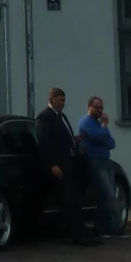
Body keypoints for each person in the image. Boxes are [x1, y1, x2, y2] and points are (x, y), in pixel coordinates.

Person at [37, 85, 99, 245]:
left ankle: (83, 232)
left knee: (76, 197)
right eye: (59, 100)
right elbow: (45, 144)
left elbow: (62, 137)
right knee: (69, 200)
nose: (62, 103)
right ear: (51, 100)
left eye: (64, 100)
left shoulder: (61, 116)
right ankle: (77, 236)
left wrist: (74, 139)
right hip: (59, 165)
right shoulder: (45, 117)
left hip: (69, 163)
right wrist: (53, 165)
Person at [77, 94, 122, 238]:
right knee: (109, 194)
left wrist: (102, 132)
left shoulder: (98, 124)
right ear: (89, 107)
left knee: (105, 196)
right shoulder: (86, 122)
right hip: (95, 161)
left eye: (101, 108)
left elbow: (111, 143)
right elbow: (99, 136)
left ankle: (103, 228)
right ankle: (116, 227)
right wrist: (104, 126)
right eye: (97, 108)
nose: (100, 111)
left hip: (105, 160)